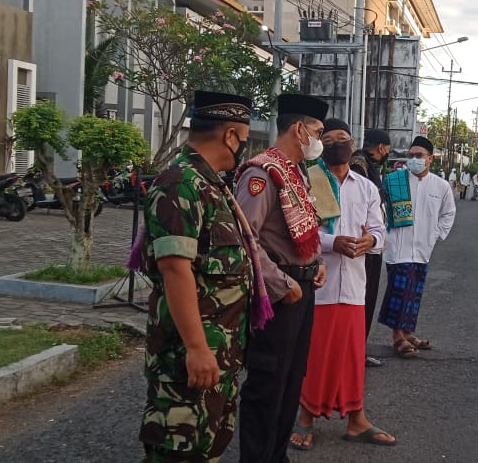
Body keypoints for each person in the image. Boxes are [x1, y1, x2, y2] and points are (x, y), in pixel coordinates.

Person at [137, 90, 270, 462]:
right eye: (243, 140)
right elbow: (175, 269)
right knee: (177, 451)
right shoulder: (181, 183)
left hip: (219, 353)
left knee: (206, 448)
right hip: (188, 357)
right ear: (230, 135)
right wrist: (197, 348)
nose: (242, 148)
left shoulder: (212, 185)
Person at [235, 93, 330, 463]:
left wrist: (317, 261)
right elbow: (244, 238)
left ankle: (276, 456)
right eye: (318, 131)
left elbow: (304, 228)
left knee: (291, 380)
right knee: (268, 381)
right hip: (279, 293)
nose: (320, 140)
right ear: (299, 129)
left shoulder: (296, 173)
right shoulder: (262, 174)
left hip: (302, 288)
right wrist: (280, 284)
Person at [291, 124, 396, 450]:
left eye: (342, 141)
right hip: (317, 286)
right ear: (320, 146)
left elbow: (381, 232)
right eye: (329, 141)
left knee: (352, 355)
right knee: (316, 354)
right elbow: (297, 233)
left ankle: (356, 419)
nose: (337, 145)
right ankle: (306, 418)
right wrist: (331, 242)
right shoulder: (309, 182)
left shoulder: (365, 187)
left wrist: (370, 240)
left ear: (352, 144)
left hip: (353, 286)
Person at [378, 136, 456, 358]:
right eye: (410, 156)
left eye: (418, 156)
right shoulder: (395, 180)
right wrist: (384, 234)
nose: (413, 159)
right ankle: (397, 337)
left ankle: (408, 333)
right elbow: (380, 210)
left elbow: (448, 213)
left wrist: (436, 235)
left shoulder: (440, 186)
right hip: (397, 247)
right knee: (399, 292)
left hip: (423, 249)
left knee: (414, 294)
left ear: (430, 159)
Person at [350, 128, 392, 368]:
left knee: (366, 298)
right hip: (362, 242)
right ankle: (355, 351)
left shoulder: (368, 164)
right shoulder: (359, 165)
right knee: (361, 300)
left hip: (372, 241)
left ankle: (357, 349)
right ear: (382, 147)